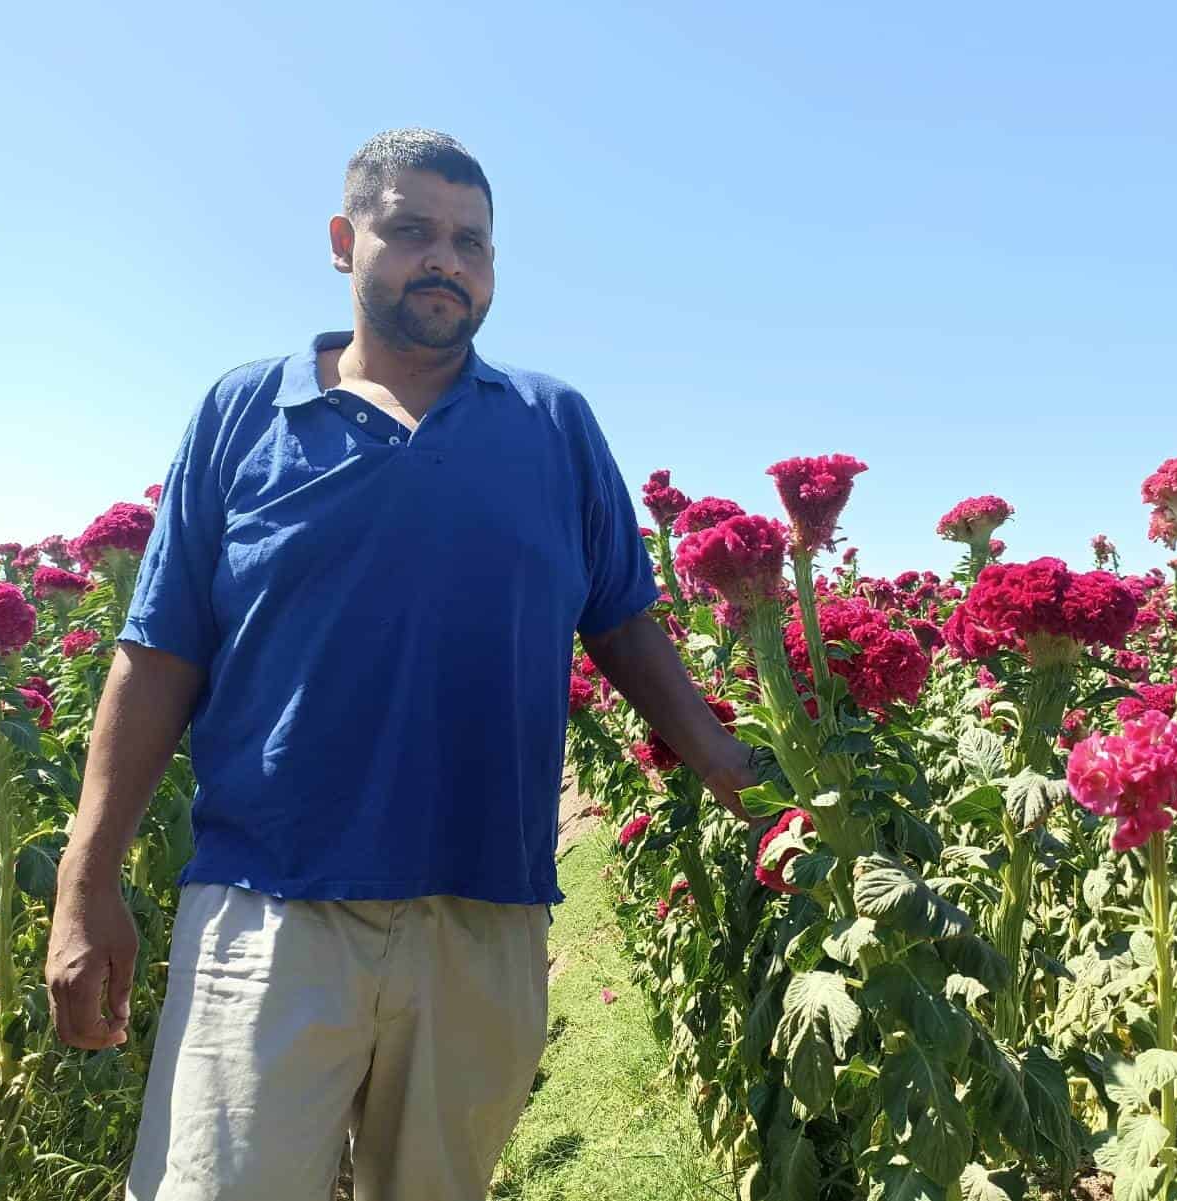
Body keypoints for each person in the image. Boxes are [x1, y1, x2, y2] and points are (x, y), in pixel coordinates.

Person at [44, 128, 756, 1201]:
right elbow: (157, 654)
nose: (448, 260)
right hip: (271, 902)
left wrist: (722, 761)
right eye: (413, 229)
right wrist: (85, 880)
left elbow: (623, 621)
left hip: (482, 909)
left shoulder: (552, 424)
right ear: (344, 240)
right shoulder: (246, 413)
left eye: (473, 242)